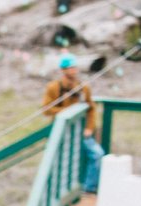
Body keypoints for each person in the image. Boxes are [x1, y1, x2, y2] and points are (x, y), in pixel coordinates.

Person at [42, 53, 103, 194]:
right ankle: (59, 191)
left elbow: (91, 108)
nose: (73, 71)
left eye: (75, 67)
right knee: (60, 162)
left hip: (80, 131)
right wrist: (67, 111)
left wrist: (89, 128)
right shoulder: (54, 88)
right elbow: (47, 109)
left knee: (97, 154)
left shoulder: (83, 88)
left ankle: (89, 187)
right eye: (70, 68)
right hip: (61, 131)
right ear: (63, 70)